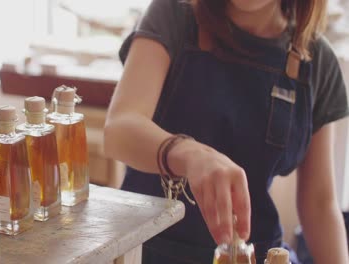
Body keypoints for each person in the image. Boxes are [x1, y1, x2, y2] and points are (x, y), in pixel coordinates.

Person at [103, 0, 349, 263]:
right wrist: (188, 154)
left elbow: (320, 206)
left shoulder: (318, 60)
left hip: (255, 254)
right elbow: (120, 128)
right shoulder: (173, 14)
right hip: (147, 251)